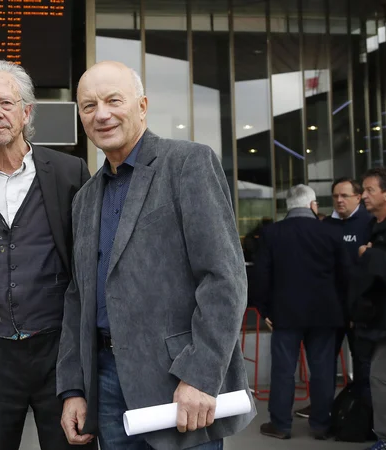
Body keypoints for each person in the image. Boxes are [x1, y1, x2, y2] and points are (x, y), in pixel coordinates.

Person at [57, 61, 255, 450]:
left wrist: (200, 374)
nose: (102, 114)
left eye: (114, 100)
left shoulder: (187, 164)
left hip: (179, 382)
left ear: (142, 106)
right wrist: (74, 388)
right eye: (89, 105)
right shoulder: (84, 200)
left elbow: (224, 279)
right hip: (108, 382)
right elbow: (77, 299)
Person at [0, 60, 92, 450]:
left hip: (57, 350)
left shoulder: (70, 173)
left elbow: (90, 262)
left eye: (6, 103)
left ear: (27, 112)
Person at [253, 184, 349, 440]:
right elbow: (344, 274)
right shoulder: (330, 232)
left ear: (288, 206)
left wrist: (264, 310)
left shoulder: (272, 233)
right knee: (322, 369)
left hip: (285, 313)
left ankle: (281, 425)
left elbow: (261, 275)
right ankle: (320, 424)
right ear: (312, 205)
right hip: (325, 313)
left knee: (283, 370)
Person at [295, 177, 373, 419]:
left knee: (363, 364)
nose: (339, 200)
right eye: (335, 196)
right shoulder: (325, 225)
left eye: (345, 196)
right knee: (323, 364)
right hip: (330, 308)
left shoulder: (370, 223)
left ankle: (360, 414)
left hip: (361, 309)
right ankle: (323, 410)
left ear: (358, 198)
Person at [350, 167, 386, 450]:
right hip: (380, 321)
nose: (363, 196)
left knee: (382, 380)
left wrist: (369, 255)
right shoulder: (373, 225)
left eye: (369, 190)